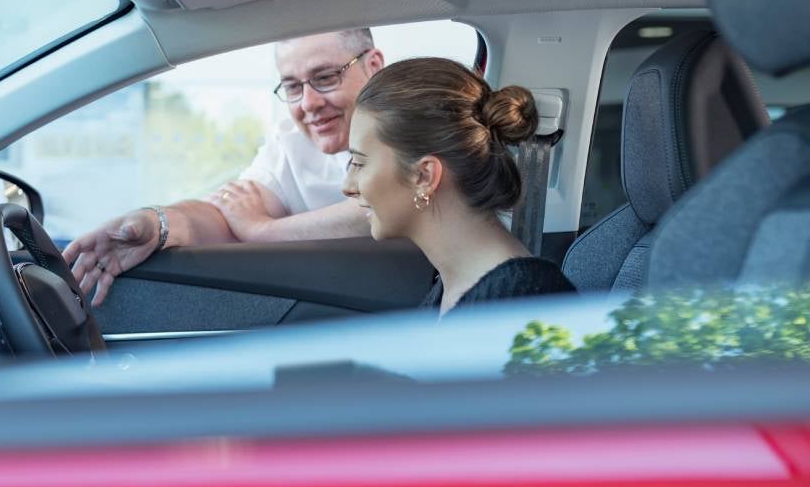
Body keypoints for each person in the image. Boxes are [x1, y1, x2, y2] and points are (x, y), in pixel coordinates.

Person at [66, 29, 384, 305]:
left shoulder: (410, 121)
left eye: (326, 78)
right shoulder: (289, 143)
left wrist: (263, 232)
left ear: (373, 66)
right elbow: (228, 214)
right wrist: (157, 224)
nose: (308, 103)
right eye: (292, 87)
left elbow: (384, 205)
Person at [342, 57, 574, 316]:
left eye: (359, 163)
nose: (347, 186)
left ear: (424, 175)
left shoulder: (518, 302)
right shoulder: (457, 285)